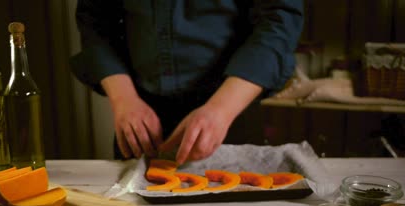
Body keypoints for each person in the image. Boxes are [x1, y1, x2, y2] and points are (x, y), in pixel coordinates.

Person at [70, 0, 304, 164]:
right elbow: (95, 20)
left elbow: (279, 20)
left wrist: (220, 110)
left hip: (230, 108)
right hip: (140, 114)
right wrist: (123, 99)